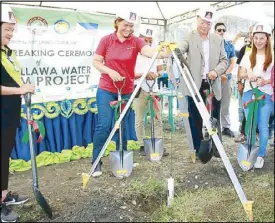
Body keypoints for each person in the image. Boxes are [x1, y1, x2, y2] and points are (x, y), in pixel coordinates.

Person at [91, 10, 170, 177]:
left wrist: (163, 53)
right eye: (125, 25)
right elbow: (96, 62)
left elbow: (149, 51)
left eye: (131, 26)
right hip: (107, 89)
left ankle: (122, 156)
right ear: (117, 22)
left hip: (126, 90)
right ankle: (96, 161)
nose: (128, 29)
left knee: (123, 125)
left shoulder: (135, 41)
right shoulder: (106, 40)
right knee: (104, 125)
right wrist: (109, 71)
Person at [1, 5, 35, 222]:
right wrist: (20, 89)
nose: (11, 34)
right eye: (7, 30)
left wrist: (24, 87)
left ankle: (3, 194)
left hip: (9, 112)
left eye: (13, 30)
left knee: (4, 155)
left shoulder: (8, 53)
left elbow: (12, 79)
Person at [178, 6, 228, 155]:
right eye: (202, 22)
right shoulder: (189, 36)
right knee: (195, 117)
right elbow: (182, 48)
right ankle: (199, 148)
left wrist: (215, 71)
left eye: (208, 23)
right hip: (195, 84)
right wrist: (175, 50)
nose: (205, 26)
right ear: (197, 20)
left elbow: (224, 60)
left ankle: (216, 147)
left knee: (214, 116)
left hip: (212, 83)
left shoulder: (218, 40)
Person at [239, 22, 274, 168]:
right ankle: (250, 152)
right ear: (252, 39)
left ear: (267, 39)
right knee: (250, 124)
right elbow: (240, 74)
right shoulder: (247, 55)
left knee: (263, 125)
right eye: (256, 38)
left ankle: (260, 155)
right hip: (249, 93)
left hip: (266, 95)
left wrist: (265, 81)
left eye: (262, 38)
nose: (258, 41)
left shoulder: (272, 56)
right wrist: (249, 74)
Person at [133, 28, 169, 157]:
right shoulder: (134, 54)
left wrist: (156, 74)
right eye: (145, 40)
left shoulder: (155, 53)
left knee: (158, 118)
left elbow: (160, 70)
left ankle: (159, 144)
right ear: (139, 39)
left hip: (154, 89)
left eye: (150, 40)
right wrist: (144, 75)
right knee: (139, 119)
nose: (148, 43)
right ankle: (142, 145)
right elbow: (130, 74)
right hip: (139, 89)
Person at [215, 22, 237, 137]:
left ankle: (226, 127)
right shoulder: (210, 45)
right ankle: (212, 126)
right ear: (215, 31)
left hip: (226, 79)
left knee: (225, 103)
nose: (221, 32)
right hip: (213, 78)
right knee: (212, 103)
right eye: (219, 30)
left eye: (223, 30)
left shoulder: (229, 45)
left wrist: (226, 73)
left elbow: (233, 62)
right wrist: (218, 74)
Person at [235, 24, 255, 143]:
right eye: (252, 33)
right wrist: (239, 82)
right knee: (244, 109)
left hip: (261, 88)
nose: (253, 36)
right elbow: (239, 68)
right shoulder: (245, 49)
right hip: (246, 85)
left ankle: (255, 133)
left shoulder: (268, 50)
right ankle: (243, 132)